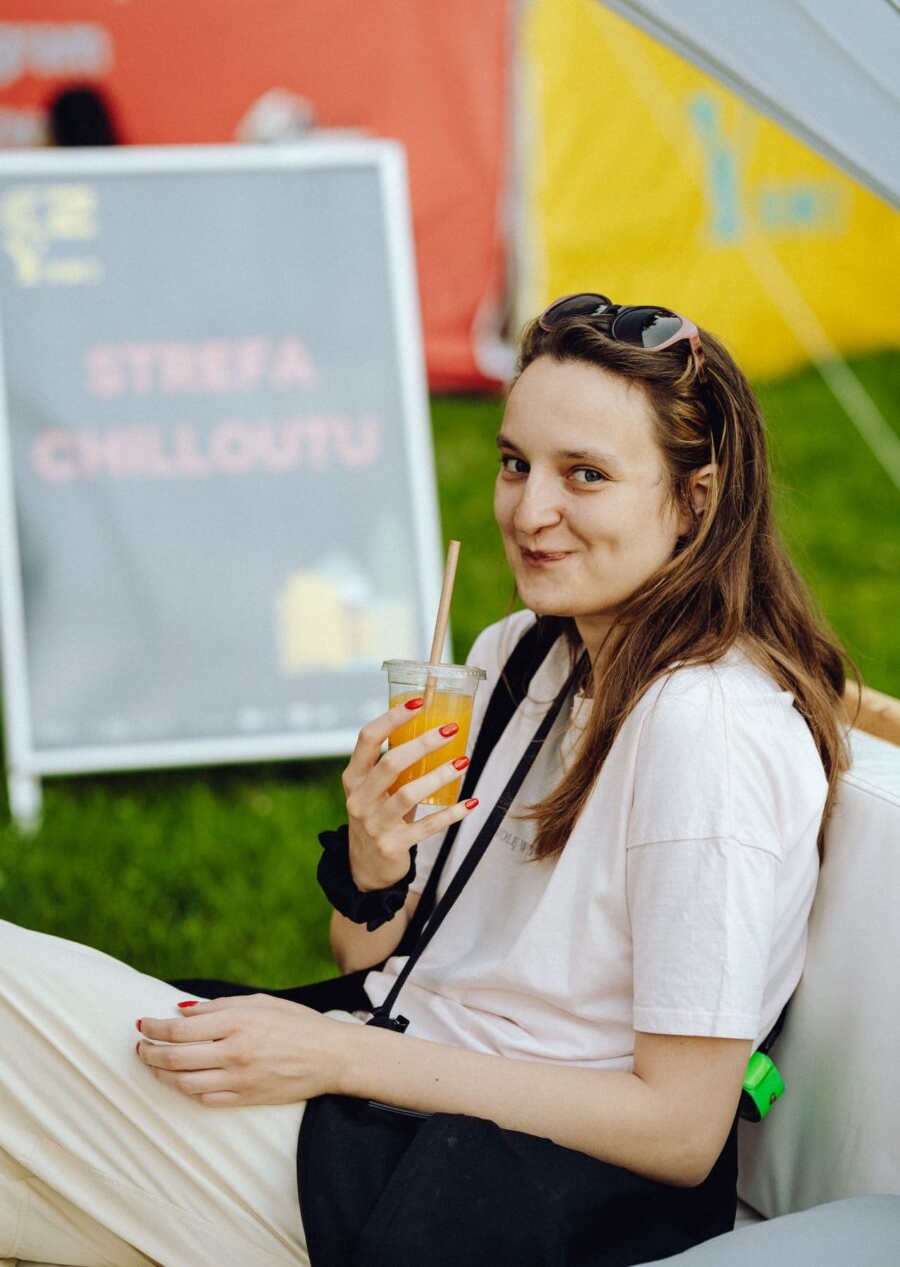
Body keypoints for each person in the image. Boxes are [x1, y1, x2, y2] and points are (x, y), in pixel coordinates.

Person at [0, 294, 850, 1266]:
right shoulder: (521, 658)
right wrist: (374, 857)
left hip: (495, 1194)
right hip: (377, 1098)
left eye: (586, 475)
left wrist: (343, 1056)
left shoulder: (704, 733)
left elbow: (680, 1129)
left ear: (695, 500)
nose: (529, 512)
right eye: (514, 463)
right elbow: (379, 957)